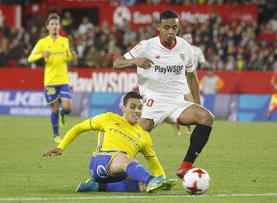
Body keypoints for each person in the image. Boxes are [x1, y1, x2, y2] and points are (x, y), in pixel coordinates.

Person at [113, 10, 214, 178]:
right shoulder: (146, 46)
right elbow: (117, 63)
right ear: (158, 27)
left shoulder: (185, 47)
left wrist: (197, 104)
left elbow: (192, 77)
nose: (171, 32)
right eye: (166, 27)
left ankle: (186, 166)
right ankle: (114, 169)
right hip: (153, 100)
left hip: (177, 102)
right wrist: (135, 61)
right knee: (135, 136)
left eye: (174, 27)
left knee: (207, 117)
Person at [43, 91, 176, 193]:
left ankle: (98, 186)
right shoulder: (108, 118)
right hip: (100, 161)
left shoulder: (144, 136)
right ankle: (151, 180)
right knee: (126, 159)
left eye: (140, 108)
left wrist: (162, 181)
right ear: (123, 108)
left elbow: (155, 164)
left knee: (144, 187)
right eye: (133, 107)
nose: (137, 111)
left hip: (120, 173)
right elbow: (79, 128)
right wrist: (61, 146)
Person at [28, 13, 77, 143]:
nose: (55, 26)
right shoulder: (42, 42)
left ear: (59, 26)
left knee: (68, 108)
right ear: (47, 27)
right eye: (52, 24)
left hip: (63, 79)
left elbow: (67, 57)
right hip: (50, 81)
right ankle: (56, 135)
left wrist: (73, 56)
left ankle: (63, 115)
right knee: (54, 108)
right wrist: (41, 55)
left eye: (56, 24)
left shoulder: (65, 41)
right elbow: (30, 57)